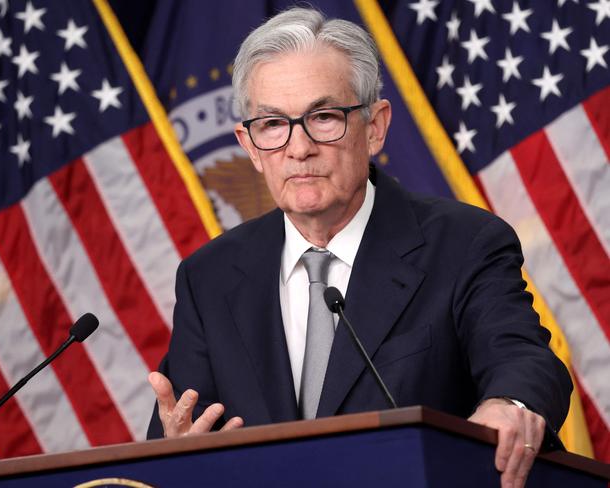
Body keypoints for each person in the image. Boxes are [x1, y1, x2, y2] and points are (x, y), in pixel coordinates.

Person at [147, 7, 572, 488]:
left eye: (323, 117)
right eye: (272, 124)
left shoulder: (464, 243)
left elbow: (525, 361)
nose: (298, 147)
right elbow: (180, 430)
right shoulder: (210, 277)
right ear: (249, 144)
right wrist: (170, 454)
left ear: (375, 126)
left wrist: (509, 404)